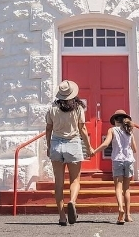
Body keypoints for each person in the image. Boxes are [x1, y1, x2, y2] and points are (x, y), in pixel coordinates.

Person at [45, 80, 93, 226]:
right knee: (75, 180)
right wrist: (89, 147)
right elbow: (82, 129)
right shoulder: (78, 108)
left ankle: (61, 216)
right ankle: (72, 201)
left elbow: (48, 129)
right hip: (73, 144)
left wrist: (48, 146)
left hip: (56, 144)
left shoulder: (52, 108)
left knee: (58, 183)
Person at [90, 110, 138, 225]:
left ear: (116, 120)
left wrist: (94, 151)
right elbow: (135, 149)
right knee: (127, 189)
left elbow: (106, 144)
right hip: (129, 160)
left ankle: (120, 210)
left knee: (118, 187)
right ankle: (128, 214)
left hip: (117, 160)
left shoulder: (112, 130)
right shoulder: (129, 131)